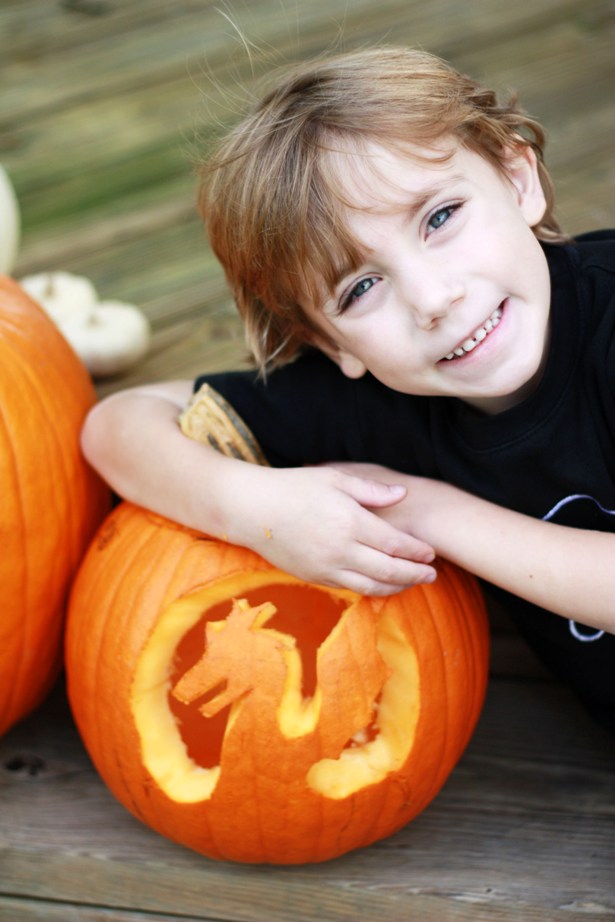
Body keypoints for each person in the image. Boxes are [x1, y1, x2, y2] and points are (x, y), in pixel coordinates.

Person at [81, 47, 615, 730]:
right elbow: (119, 423)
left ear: (517, 180)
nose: (432, 298)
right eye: (360, 288)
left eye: (440, 217)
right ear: (332, 345)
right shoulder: (372, 400)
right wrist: (256, 510)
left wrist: (426, 513)